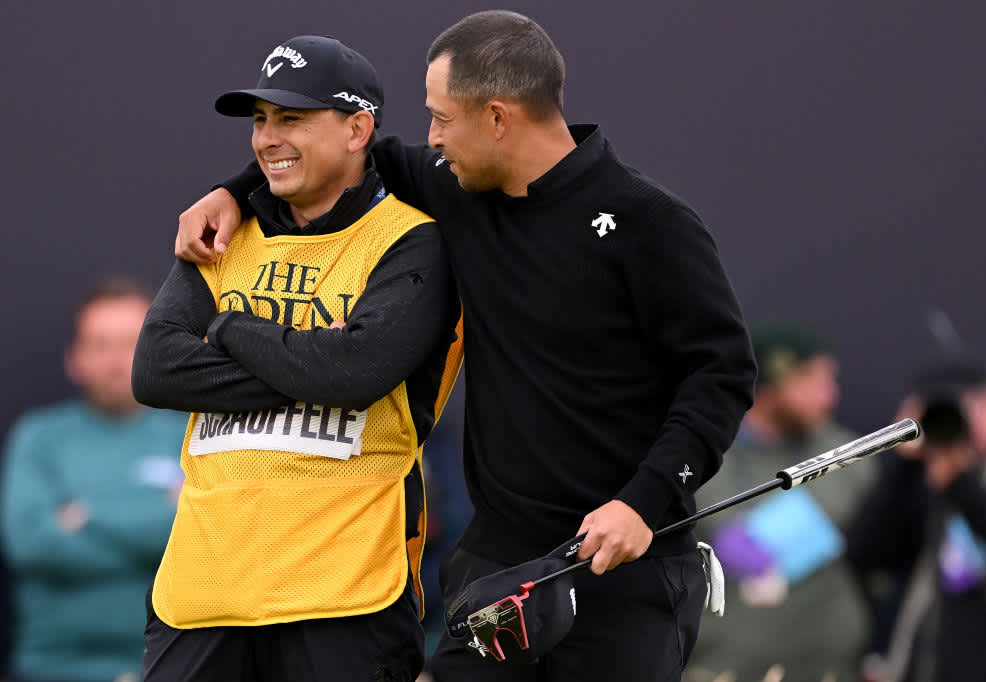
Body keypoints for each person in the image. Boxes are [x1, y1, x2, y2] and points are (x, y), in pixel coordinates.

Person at [174, 12, 756, 681]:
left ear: (498, 118)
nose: (432, 138)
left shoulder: (650, 223)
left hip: (625, 571)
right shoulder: (457, 189)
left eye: (443, 119)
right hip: (499, 572)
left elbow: (721, 375)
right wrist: (230, 192)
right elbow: (342, 152)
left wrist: (643, 503)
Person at [131, 35, 461, 682]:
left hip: (346, 596)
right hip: (202, 591)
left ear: (357, 129)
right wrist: (315, 362)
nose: (267, 139)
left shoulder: (412, 240)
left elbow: (355, 373)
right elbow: (156, 369)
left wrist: (227, 324)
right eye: (260, 120)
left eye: (292, 118)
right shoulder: (221, 232)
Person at [0, 277, 185, 682]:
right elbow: (30, 543)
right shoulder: (39, 438)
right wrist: (163, 517)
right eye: (99, 345)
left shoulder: (192, 435)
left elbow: (210, 538)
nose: (116, 361)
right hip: (56, 668)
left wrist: (87, 515)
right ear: (74, 358)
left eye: (129, 342)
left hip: (173, 666)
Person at [685, 323, 872, 682]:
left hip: (827, 666)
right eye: (813, 381)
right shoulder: (705, 454)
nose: (830, 396)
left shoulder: (846, 452)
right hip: (724, 666)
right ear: (773, 384)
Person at [845, 353, 986, 682]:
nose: (956, 421)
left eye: (967, 406)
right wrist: (902, 463)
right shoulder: (924, 481)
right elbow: (864, 553)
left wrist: (962, 485)